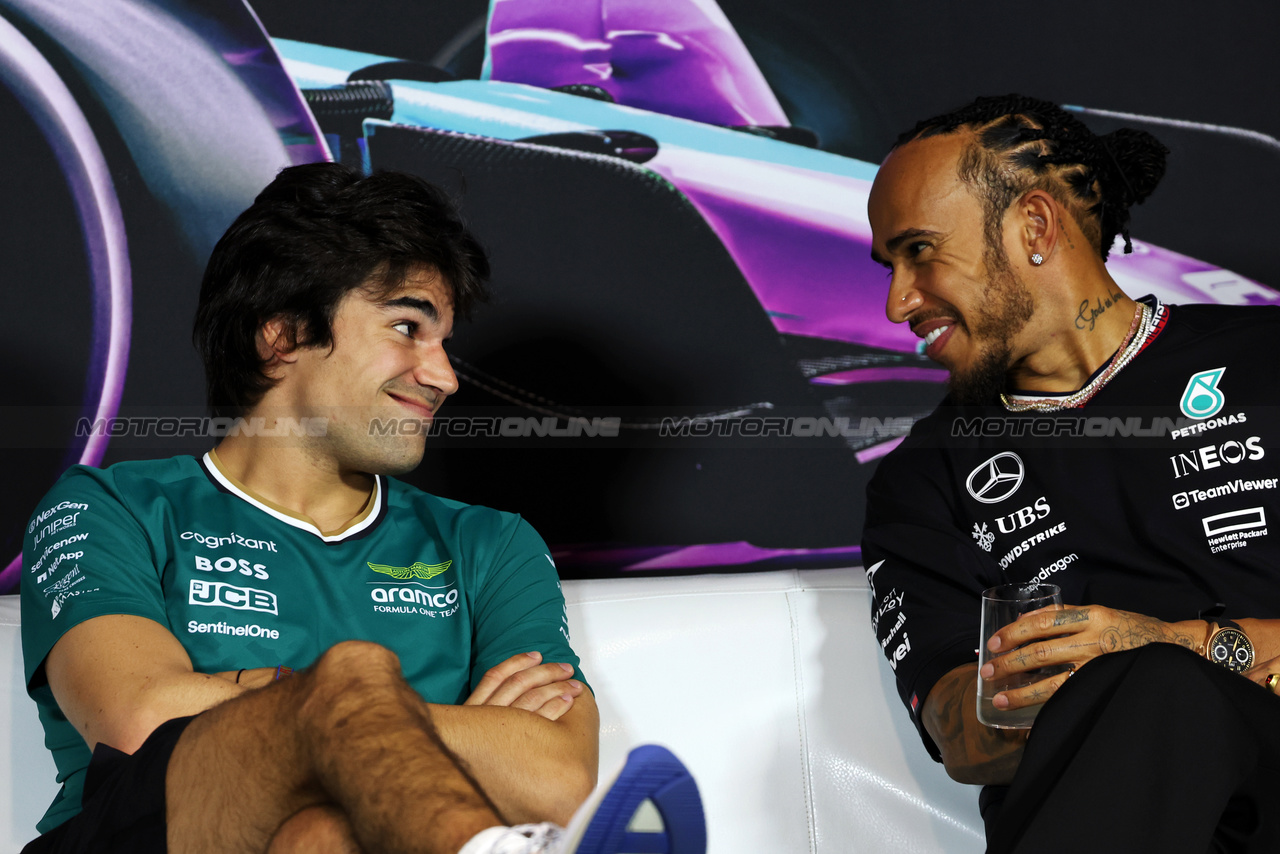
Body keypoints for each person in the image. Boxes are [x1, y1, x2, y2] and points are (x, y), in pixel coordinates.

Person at [19, 163, 705, 854]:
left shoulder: (489, 544)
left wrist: (281, 705)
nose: (444, 377)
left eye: (445, 343)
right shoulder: (109, 507)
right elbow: (142, 720)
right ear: (281, 337)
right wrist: (363, 707)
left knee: (327, 833)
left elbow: (554, 778)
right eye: (408, 327)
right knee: (351, 684)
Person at [860, 94, 1280, 853]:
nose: (898, 304)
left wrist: (1163, 646)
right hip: (1111, 812)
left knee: (1161, 685)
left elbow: (1160, 674)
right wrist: (1089, 692)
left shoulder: (1264, 358)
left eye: (920, 251)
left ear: (1035, 226)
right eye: (889, 264)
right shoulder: (923, 479)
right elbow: (961, 734)